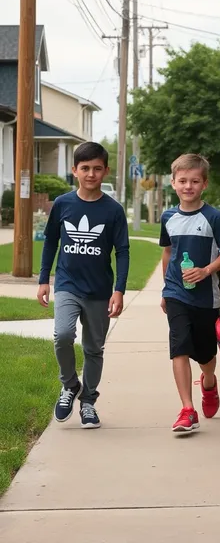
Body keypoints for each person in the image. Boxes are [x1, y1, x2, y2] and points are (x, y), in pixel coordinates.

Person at [37, 142, 129, 429]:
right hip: (67, 284)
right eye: (85, 168)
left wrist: (119, 289)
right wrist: (43, 279)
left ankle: (88, 401)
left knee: (93, 349)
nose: (91, 174)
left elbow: (122, 251)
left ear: (106, 171)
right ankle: (69, 385)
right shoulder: (63, 204)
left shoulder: (113, 210)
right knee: (62, 335)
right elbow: (51, 240)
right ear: (74, 170)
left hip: (100, 290)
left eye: (97, 168)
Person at [160, 153, 220, 432]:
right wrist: (166, 288)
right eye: (183, 180)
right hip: (177, 293)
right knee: (179, 347)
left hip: (205, 297)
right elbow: (167, 252)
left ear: (204, 184)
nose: (188, 186)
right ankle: (187, 409)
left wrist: (206, 270)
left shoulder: (214, 217)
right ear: (173, 183)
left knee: (205, 355)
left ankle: (209, 383)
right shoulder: (168, 217)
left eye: (195, 181)